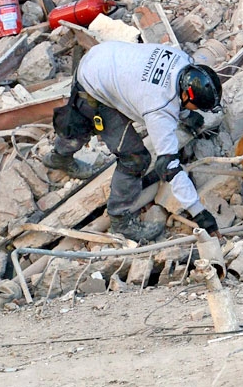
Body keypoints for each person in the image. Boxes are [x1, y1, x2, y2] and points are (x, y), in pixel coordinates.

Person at [42, 41, 223, 243]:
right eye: (195, 105)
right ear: (186, 94)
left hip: (101, 58)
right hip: (94, 84)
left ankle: (58, 157)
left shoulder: (183, 60)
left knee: (82, 122)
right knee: (134, 158)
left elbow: (172, 92)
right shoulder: (158, 107)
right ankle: (120, 219)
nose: (196, 109)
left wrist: (186, 114)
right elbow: (168, 166)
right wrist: (199, 213)